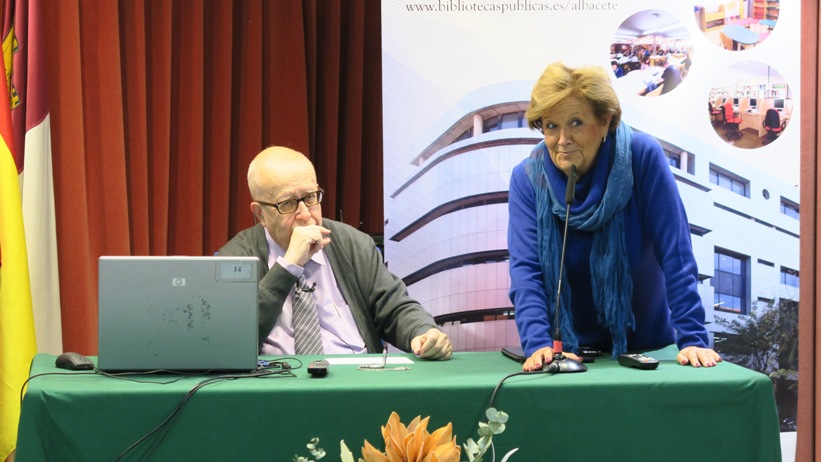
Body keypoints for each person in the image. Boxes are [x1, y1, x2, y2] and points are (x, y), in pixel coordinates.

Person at [507, 62, 721, 372]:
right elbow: (526, 270)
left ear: (605, 121)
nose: (563, 139)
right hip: (569, 353)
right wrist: (539, 344)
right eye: (551, 126)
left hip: (646, 347)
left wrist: (693, 338)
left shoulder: (641, 156)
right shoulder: (527, 178)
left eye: (576, 123)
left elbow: (675, 254)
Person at [219, 146, 452, 360]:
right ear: (260, 214)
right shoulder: (237, 258)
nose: (305, 214)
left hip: (357, 376)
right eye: (287, 204)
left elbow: (394, 307)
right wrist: (288, 267)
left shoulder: (353, 244)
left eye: (310, 197)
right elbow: (229, 340)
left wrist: (422, 332)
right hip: (279, 382)